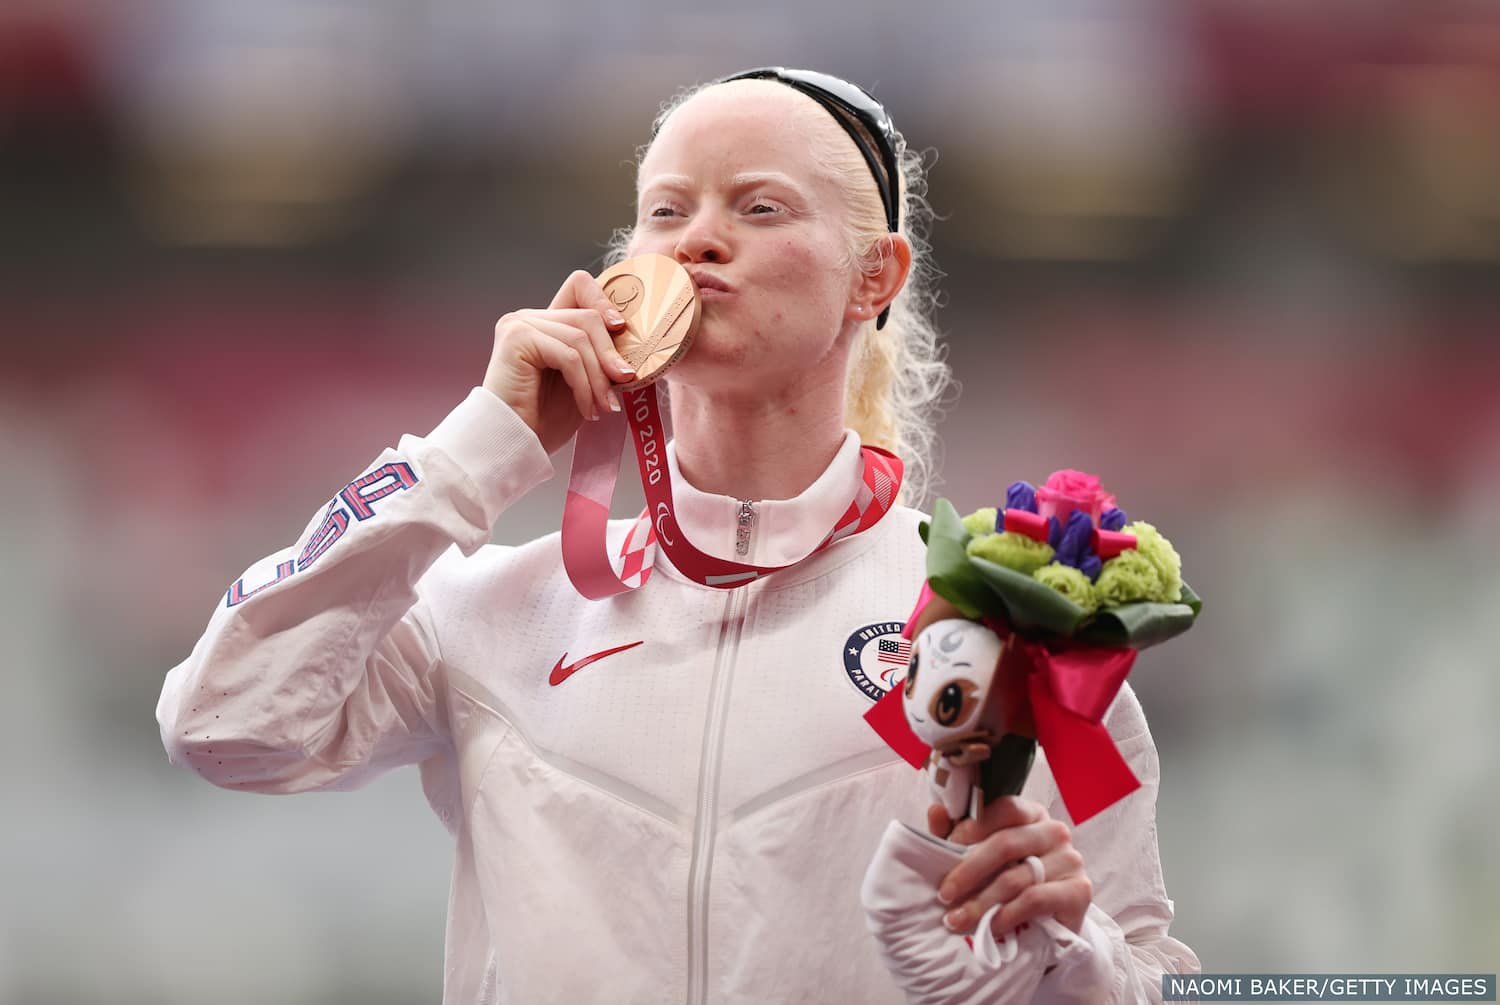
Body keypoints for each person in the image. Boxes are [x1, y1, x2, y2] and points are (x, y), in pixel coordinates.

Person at [157, 68, 1198, 1003]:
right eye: (666, 210)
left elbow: (1150, 974)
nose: (698, 237)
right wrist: (479, 448)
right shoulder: (498, 610)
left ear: (875, 278)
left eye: (759, 206)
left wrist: (1073, 958)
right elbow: (222, 725)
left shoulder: (1013, 634)